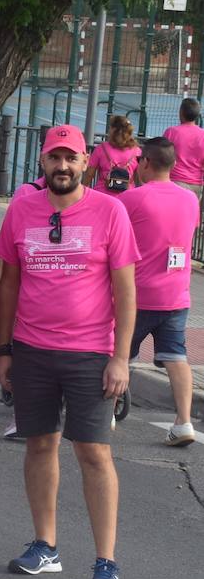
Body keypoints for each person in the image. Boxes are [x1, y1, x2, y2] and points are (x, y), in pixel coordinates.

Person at [0, 124, 136, 579]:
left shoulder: (110, 211)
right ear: (43, 161)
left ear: (85, 162)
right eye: (54, 157)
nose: (62, 166)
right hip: (32, 349)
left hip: (91, 353)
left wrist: (121, 358)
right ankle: (45, 545)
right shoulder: (21, 209)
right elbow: (8, 283)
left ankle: (106, 562)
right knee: (39, 445)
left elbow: (125, 290)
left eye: (71, 157)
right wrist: (4, 349)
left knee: (93, 452)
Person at [121, 137, 199, 446]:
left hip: (137, 295)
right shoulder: (191, 199)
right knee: (177, 357)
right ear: (174, 164)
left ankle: (106, 412)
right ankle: (184, 422)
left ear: (145, 163)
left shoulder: (132, 199)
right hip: (177, 295)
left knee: (119, 354)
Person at [85, 115, 141, 198]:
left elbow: (89, 174)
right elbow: (139, 179)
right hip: (127, 197)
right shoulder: (137, 151)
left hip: (102, 195)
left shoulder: (101, 148)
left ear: (113, 130)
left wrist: (83, 193)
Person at [164, 98, 204, 200]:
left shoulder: (171, 132)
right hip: (196, 184)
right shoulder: (202, 135)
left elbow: (162, 157)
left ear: (181, 112)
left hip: (174, 181)